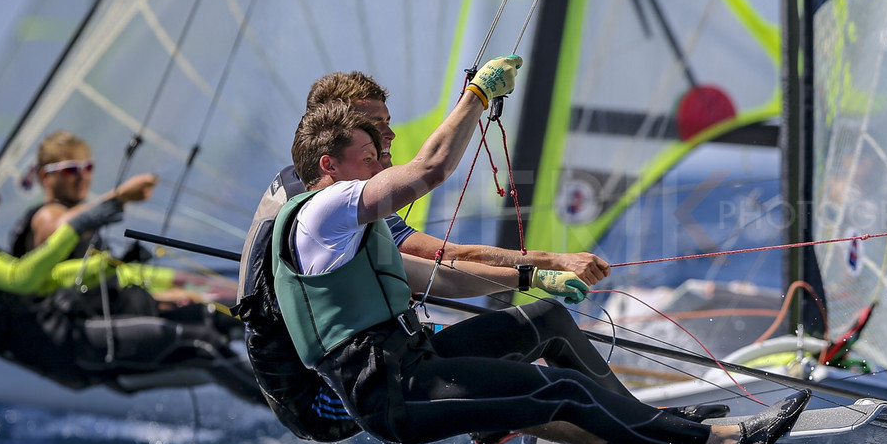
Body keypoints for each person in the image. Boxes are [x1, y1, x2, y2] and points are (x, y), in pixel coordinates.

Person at [258, 57, 809, 444]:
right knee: (561, 390)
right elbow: (430, 170)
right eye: (371, 149)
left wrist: (532, 279)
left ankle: (633, 427)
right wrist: (475, 96)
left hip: (410, 359)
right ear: (328, 165)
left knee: (544, 321)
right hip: (383, 389)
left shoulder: (357, 226)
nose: (385, 155)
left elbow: (433, 276)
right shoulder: (323, 211)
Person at [0, 156, 261, 402]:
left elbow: (40, 281)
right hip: (66, 347)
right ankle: (305, 414)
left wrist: (101, 269)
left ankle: (304, 391)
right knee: (201, 345)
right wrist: (76, 226)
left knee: (209, 320)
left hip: (68, 332)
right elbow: (21, 277)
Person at [238, 71, 609, 296]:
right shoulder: (333, 199)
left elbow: (434, 265)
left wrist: (540, 270)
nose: (388, 134)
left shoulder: (301, 180)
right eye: (371, 125)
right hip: (319, 381)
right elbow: (444, 257)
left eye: (385, 121)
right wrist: (551, 263)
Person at [12, 130, 235, 326]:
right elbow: (64, 226)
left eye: (88, 167)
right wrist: (121, 197)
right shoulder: (46, 215)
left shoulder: (71, 211)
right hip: (101, 323)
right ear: (45, 176)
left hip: (125, 306)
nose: (83, 176)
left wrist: (169, 297)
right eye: (71, 170)